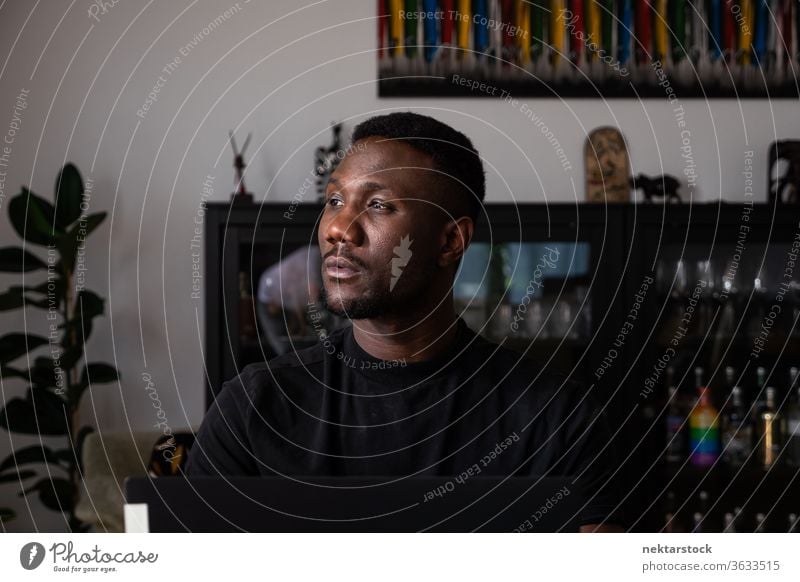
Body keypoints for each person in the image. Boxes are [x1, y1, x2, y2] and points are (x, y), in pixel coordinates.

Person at [186, 111, 625, 532]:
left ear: (451, 240)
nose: (339, 228)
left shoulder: (555, 414)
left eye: (378, 205)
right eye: (335, 200)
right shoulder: (256, 405)